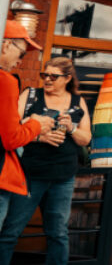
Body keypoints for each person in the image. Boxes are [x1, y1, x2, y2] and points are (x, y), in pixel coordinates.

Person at [0, 56, 89, 265]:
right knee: (10, 231)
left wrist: (71, 128)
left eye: (53, 76)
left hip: (63, 178)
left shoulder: (77, 101)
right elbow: (12, 124)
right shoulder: (31, 95)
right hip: (31, 175)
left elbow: (86, 138)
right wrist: (39, 135)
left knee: (58, 234)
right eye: (44, 75)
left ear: (67, 78)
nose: (47, 80)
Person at [0, 22, 51, 237]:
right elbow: (11, 139)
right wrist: (37, 124)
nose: (20, 62)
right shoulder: (6, 81)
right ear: (5, 45)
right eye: (20, 53)